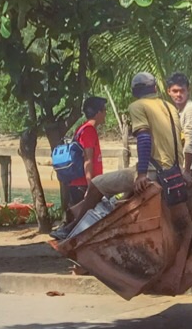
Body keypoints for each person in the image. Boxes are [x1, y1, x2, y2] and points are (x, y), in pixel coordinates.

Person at [54, 72, 182, 239]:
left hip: (154, 171)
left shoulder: (138, 106)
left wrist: (142, 174)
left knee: (96, 184)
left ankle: (73, 228)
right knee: (122, 195)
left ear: (134, 92)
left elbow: (144, 138)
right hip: (174, 169)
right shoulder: (170, 107)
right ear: (155, 88)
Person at [65, 97, 107, 205]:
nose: (105, 114)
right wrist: (90, 187)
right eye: (104, 110)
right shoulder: (88, 131)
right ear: (98, 112)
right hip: (83, 185)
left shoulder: (82, 128)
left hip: (80, 184)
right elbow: (88, 160)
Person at [166, 72, 192, 180]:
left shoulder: (190, 109)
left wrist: (186, 171)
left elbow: (190, 141)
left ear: (188, 91)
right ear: (169, 91)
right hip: (187, 164)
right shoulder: (179, 111)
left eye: (182, 91)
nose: (178, 95)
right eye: (175, 91)